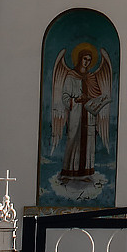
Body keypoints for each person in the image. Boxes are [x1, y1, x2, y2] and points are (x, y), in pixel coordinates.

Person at [51, 45, 112, 183]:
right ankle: (69, 172)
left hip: (89, 115)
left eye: (89, 60)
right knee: (73, 141)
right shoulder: (71, 76)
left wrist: (96, 101)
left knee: (88, 143)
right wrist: (76, 99)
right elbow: (65, 97)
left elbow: (96, 95)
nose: (87, 62)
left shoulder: (91, 77)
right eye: (85, 59)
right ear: (79, 59)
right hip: (76, 114)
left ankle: (86, 173)